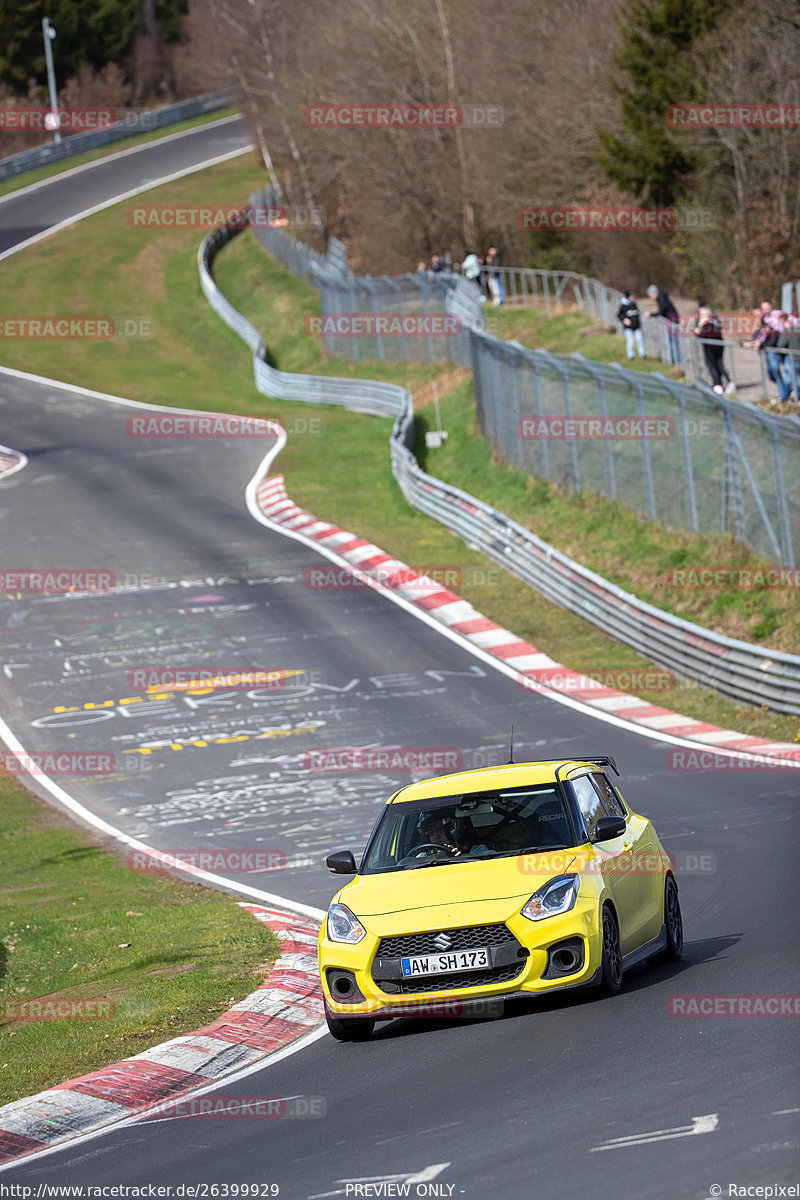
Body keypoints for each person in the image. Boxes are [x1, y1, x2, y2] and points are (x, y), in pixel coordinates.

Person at [693, 301, 733, 394]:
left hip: (711, 348)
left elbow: (701, 335)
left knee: (713, 365)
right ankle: (727, 383)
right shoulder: (715, 321)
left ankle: (718, 384)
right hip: (718, 346)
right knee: (719, 364)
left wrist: (697, 331)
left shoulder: (708, 324)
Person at [646, 284, 681, 364]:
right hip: (671, 321)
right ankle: (674, 359)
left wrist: (651, 314)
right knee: (669, 341)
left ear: (654, 293)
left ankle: (676, 360)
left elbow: (661, 311)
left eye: (650, 295)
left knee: (671, 341)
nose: (650, 297)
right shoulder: (661, 298)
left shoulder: (662, 299)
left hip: (672, 321)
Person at [776, 312, 799, 403]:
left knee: (788, 379)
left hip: (792, 359)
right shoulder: (797, 329)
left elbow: (780, 345)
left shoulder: (787, 330)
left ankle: (784, 397)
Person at [616, 290, 646, 360]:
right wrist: (624, 320)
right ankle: (631, 355)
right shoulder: (623, 306)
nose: (633, 297)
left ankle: (642, 354)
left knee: (639, 340)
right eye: (631, 296)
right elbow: (619, 315)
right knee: (630, 341)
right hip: (628, 328)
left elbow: (637, 315)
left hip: (636, 327)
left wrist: (639, 323)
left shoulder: (634, 304)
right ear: (628, 297)